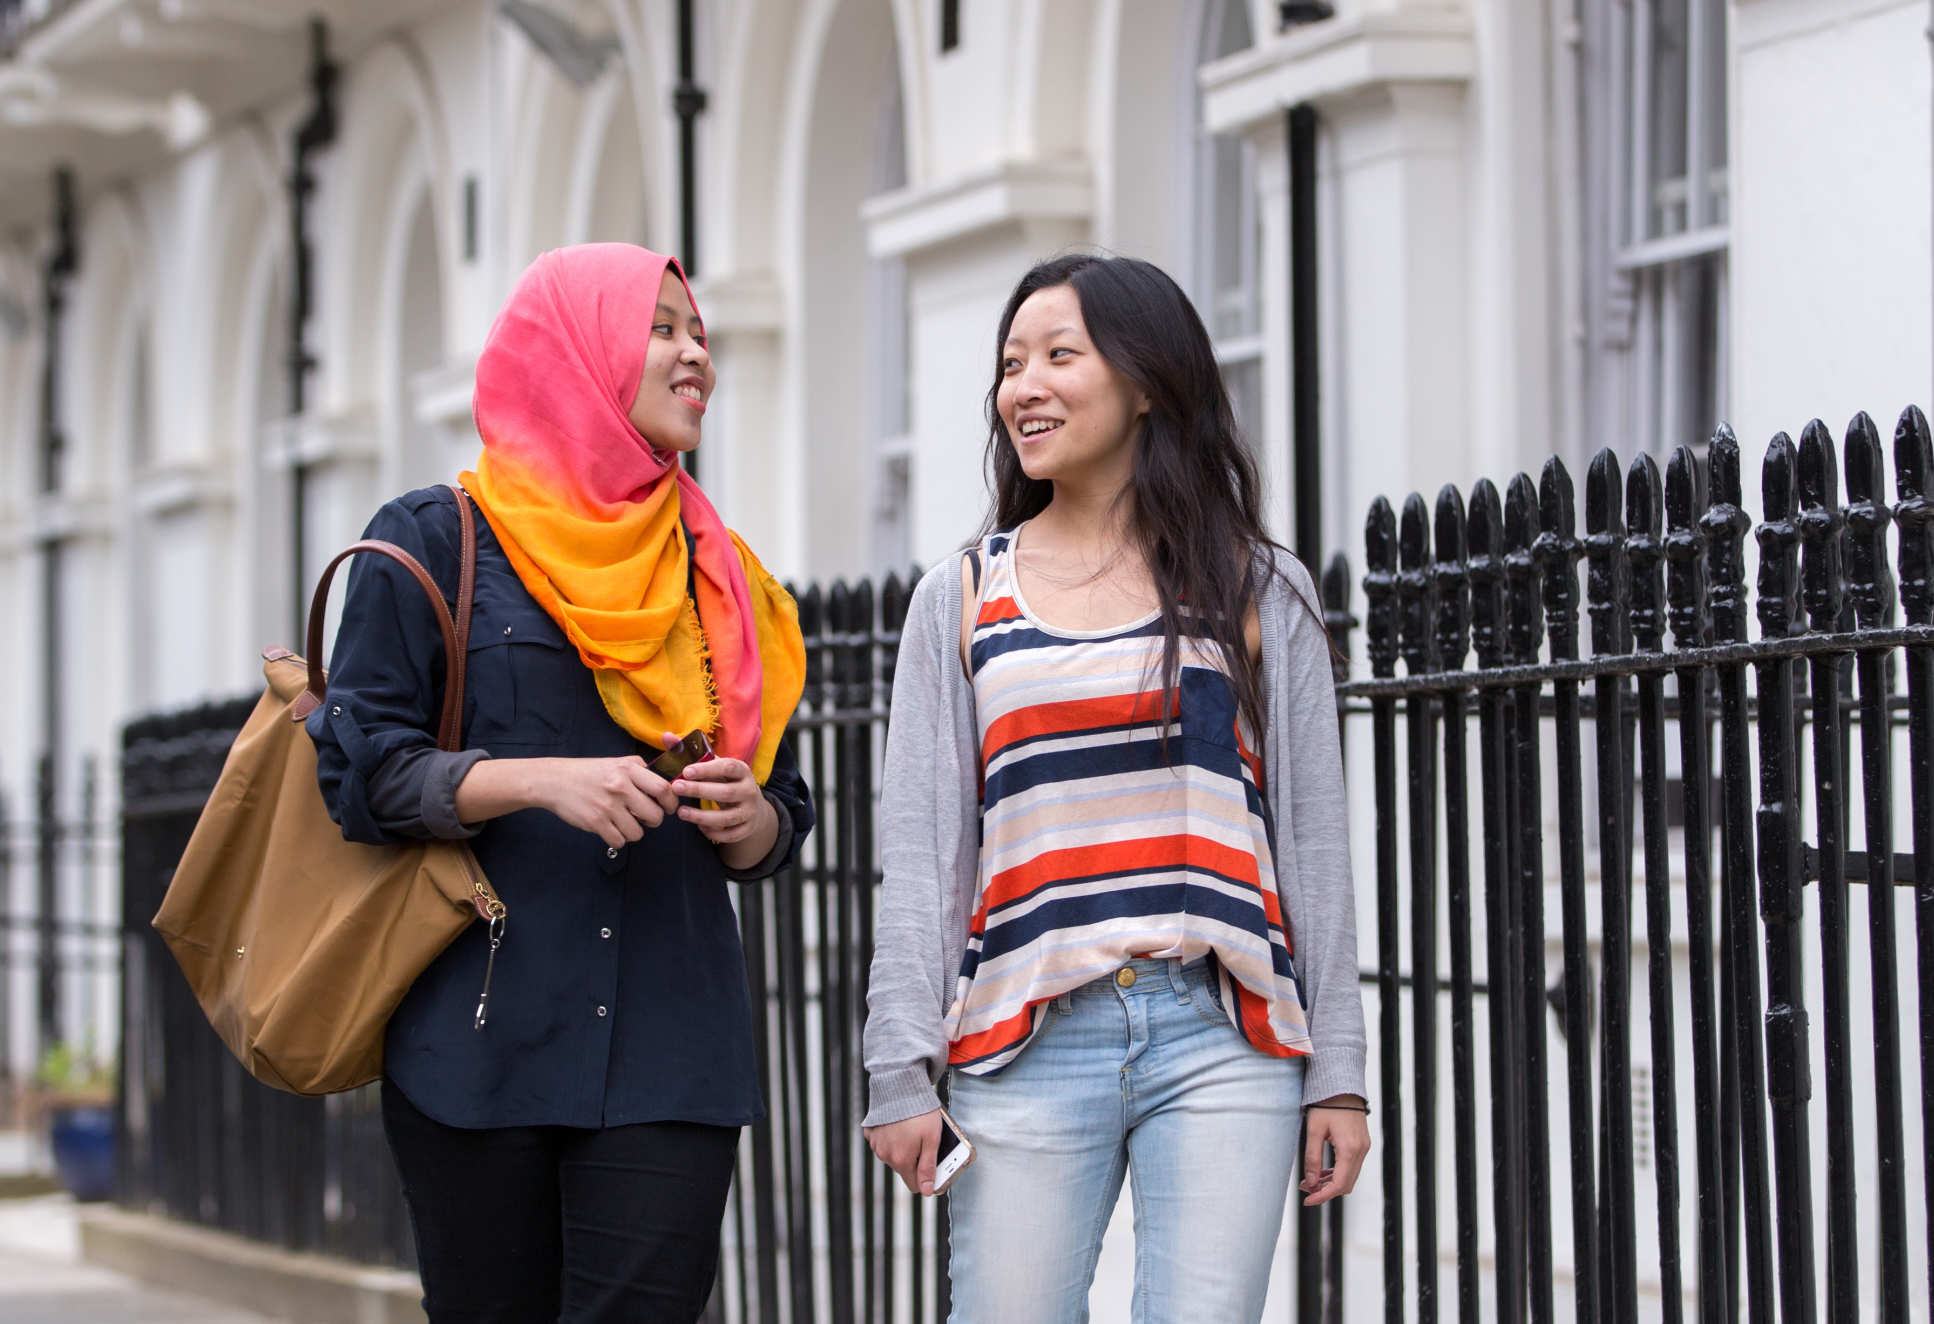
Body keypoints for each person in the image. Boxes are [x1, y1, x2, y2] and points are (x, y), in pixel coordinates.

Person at [861, 252, 1368, 1322]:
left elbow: (1312, 841)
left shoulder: (1256, 587)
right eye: (1009, 364)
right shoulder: (959, 596)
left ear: (1144, 381)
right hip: (1025, 1032)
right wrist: (898, 1067)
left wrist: (1339, 1071)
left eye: (1059, 355)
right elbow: (923, 855)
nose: (1022, 387)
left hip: (1224, 1034)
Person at [309, 243, 812, 1323]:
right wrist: (537, 782)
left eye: (700, 333)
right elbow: (359, 776)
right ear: (577, 349)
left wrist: (752, 816)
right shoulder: (437, 539)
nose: (697, 356)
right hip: (478, 1043)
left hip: (671, 1047)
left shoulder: (718, 572)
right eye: (663, 328)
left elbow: (789, 811)